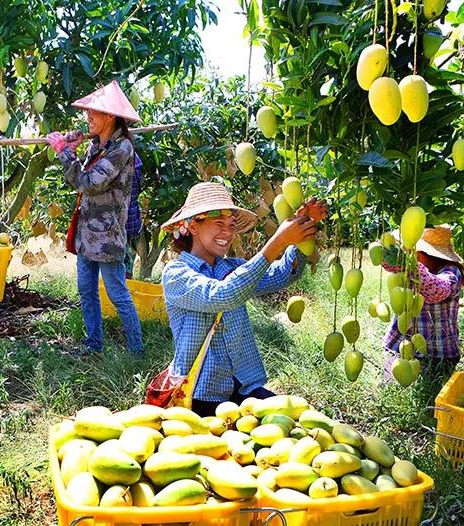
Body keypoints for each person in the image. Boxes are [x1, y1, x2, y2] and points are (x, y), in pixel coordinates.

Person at [160, 182, 326, 417]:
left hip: (244, 387)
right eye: (219, 224)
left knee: (297, 421)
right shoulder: (176, 274)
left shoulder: (232, 267)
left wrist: (302, 230)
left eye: (231, 226)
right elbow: (222, 295)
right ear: (193, 227)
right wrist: (276, 242)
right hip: (199, 395)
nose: (227, 233)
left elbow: (281, 275)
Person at [46, 81, 143, 357]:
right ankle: (93, 345)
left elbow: (89, 183)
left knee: (118, 295)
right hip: (87, 234)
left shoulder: (121, 149)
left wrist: (64, 154)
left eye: (93, 113)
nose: (87, 117)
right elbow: (81, 180)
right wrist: (73, 150)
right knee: (86, 292)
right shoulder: (97, 146)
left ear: (110, 116)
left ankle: (136, 351)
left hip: (107, 236)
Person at [382, 226, 464, 380]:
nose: (409, 253)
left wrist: (413, 268)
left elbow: (437, 289)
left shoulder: (451, 271)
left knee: (430, 395)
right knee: (393, 389)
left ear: (429, 255)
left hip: (437, 351)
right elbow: (388, 263)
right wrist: (388, 253)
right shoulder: (408, 268)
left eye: (414, 251)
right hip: (402, 344)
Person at [124, 154, 142, 279]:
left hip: (121, 221)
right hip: (130, 220)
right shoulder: (134, 159)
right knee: (126, 260)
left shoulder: (118, 155)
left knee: (122, 262)